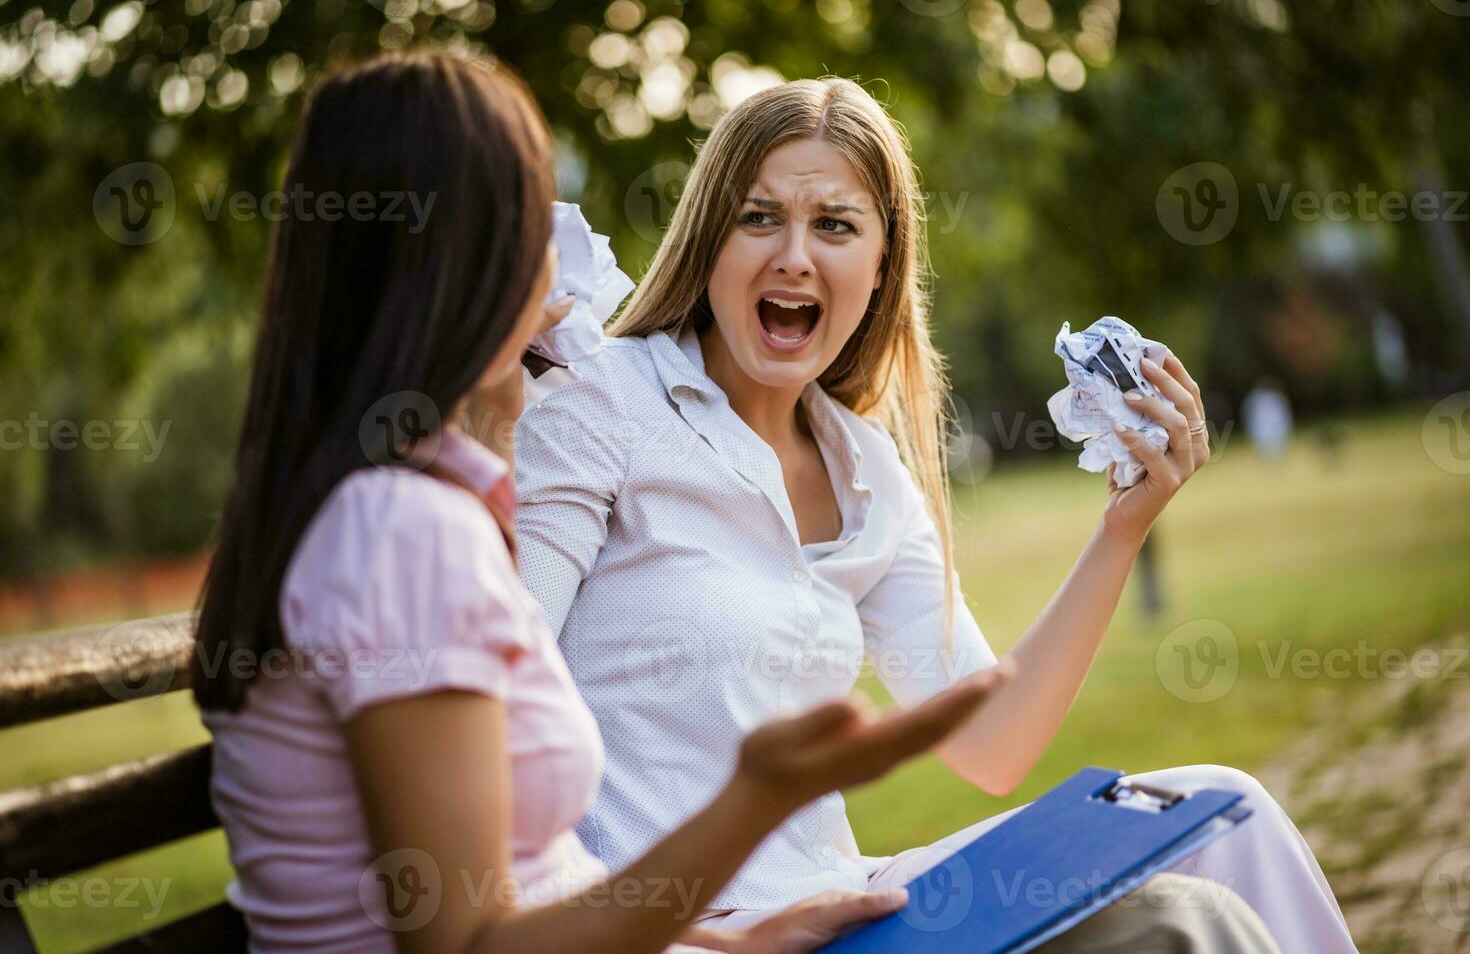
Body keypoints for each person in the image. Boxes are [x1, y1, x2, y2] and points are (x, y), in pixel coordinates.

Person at [192, 51, 1020, 954]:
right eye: (528, 224)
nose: (559, 263)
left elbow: (535, 885)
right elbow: (469, 944)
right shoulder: (402, 532)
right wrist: (757, 797)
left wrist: (732, 946)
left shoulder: (409, 513)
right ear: (462, 268)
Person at [514, 77, 1356, 952]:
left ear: (881, 268)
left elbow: (991, 744)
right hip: (680, 933)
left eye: (834, 225)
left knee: (1234, 811)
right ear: (708, 241)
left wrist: (1123, 529)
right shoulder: (600, 403)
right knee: (1182, 925)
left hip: (846, 897)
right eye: (758, 217)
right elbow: (499, 724)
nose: (794, 256)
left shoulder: (866, 465)